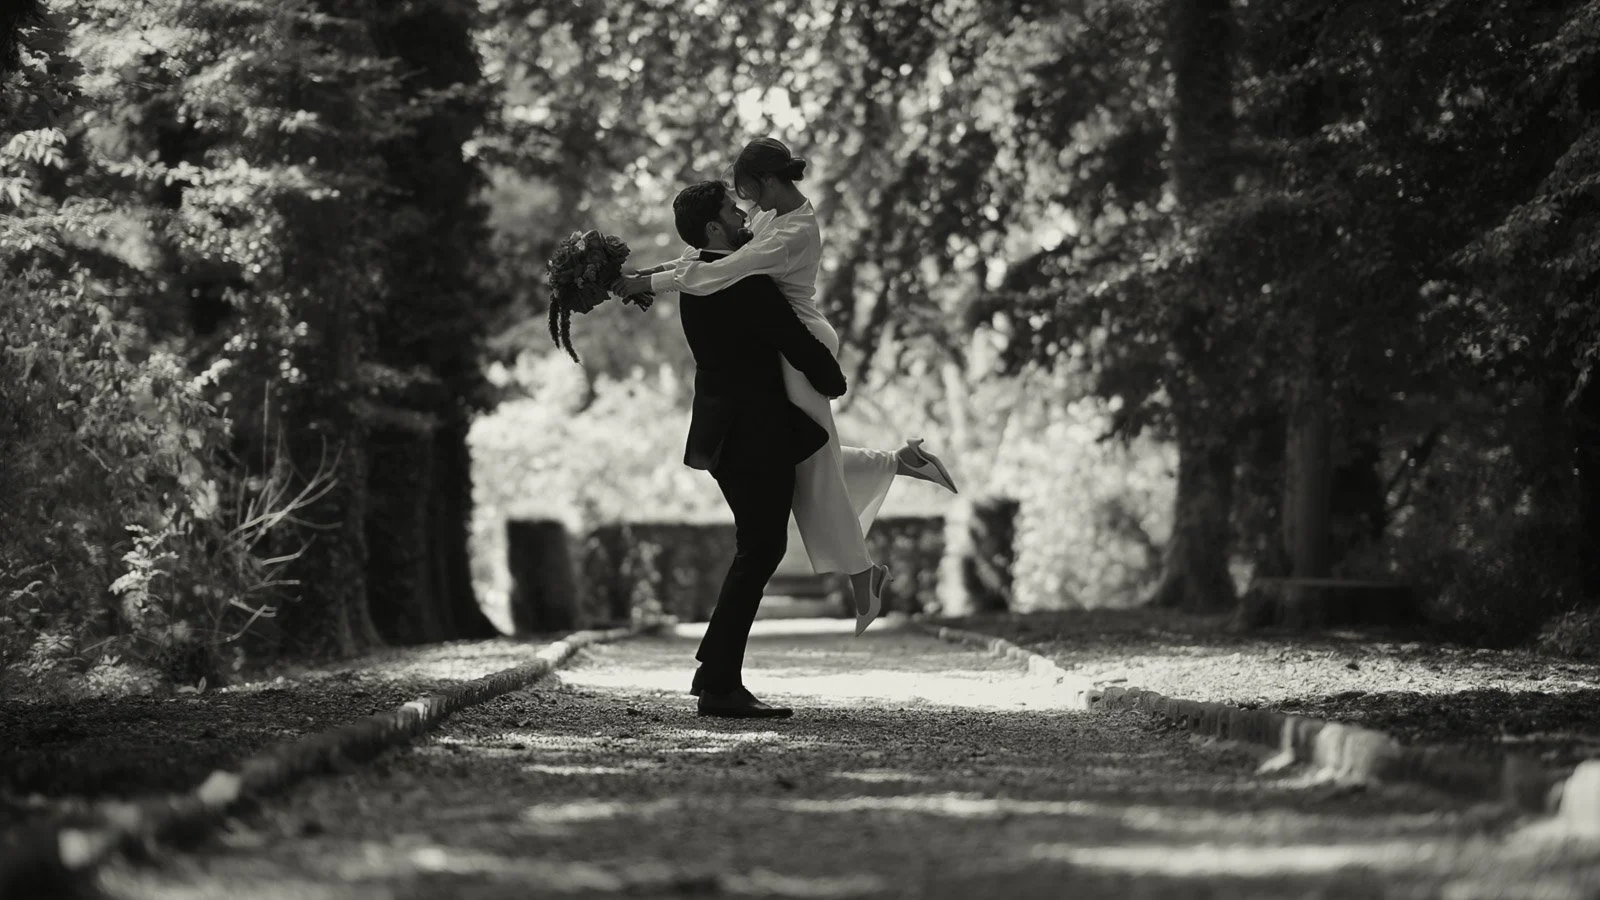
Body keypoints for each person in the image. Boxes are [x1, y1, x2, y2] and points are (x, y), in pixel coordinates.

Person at [617, 138, 959, 636]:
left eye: (748, 194)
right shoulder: (771, 217)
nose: (745, 208)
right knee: (808, 454)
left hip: (801, 342)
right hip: (784, 343)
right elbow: (701, 256)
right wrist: (645, 274)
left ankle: (864, 575)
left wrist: (646, 285)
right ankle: (898, 469)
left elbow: (723, 271)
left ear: (769, 182)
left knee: (813, 460)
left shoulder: (792, 232)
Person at [671, 180, 847, 718]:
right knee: (760, 549)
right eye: (731, 208)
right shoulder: (744, 281)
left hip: (722, 435)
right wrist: (834, 380)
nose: (743, 212)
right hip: (752, 435)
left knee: (758, 547)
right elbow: (791, 336)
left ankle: (715, 673)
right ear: (714, 228)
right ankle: (719, 683)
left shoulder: (695, 277)